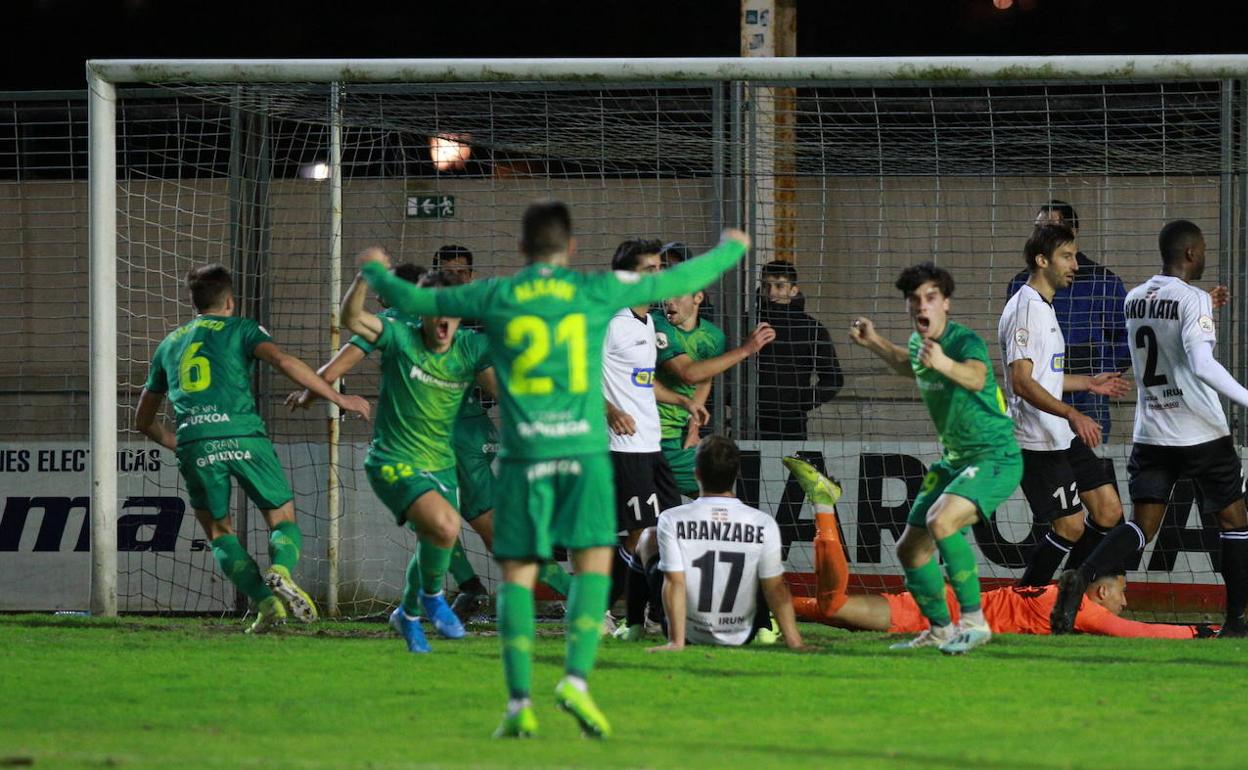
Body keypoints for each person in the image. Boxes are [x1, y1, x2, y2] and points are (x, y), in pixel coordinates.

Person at [361, 199, 750, 739]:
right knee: (593, 565)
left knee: (517, 576)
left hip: (524, 459)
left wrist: (376, 269)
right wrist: (731, 248)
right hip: (583, 457)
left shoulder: (496, 293)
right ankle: (576, 681)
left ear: (521, 248)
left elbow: (406, 296)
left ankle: (519, 701)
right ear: (569, 248)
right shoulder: (594, 292)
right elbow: (682, 277)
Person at [287, 252, 574, 623]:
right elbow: (497, 385)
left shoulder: (395, 322)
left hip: (442, 441)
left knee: (487, 530)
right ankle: (461, 594)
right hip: (476, 432)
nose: (381, 299)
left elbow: (336, 364)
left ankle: (563, 597)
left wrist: (312, 394)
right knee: (439, 523)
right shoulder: (463, 328)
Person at [134, 264, 371, 633]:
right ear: (230, 301)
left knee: (219, 531)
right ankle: (280, 570)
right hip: (245, 435)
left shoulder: (169, 344)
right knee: (282, 519)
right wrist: (338, 398)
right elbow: (283, 361)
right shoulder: (242, 328)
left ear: (193, 302)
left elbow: (143, 418)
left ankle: (265, 602)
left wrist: (175, 440)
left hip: (196, 442)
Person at [1053, 220, 1248, 637]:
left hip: (1152, 432)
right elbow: (1200, 363)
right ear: (1193, 253)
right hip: (1200, 432)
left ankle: (1081, 574)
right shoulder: (1190, 299)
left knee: (1142, 528)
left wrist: (1203, 307)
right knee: (1235, 522)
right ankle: (1235, 622)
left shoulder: (1135, 298)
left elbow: (1165, 332)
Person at [781, 457, 1210, 640]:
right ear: (1099, 591)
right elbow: (1135, 631)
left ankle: (773, 606)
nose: (1125, 600)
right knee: (837, 608)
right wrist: (1198, 631)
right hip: (943, 615)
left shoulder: (1058, 597)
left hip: (947, 604)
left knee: (837, 610)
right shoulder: (1079, 607)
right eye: (1122, 591)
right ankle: (823, 505)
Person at [849, 262, 1022, 654]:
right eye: (914, 299)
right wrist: (874, 342)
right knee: (910, 549)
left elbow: (977, 377)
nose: (921, 306)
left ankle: (975, 622)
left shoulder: (964, 342)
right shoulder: (917, 344)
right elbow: (907, 364)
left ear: (945, 302)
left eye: (930, 298)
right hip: (954, 461)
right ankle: (941, 628)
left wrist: (943, 362)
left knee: (941, 522)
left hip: (995, 456)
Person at [340, 265, 496, 653]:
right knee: (444, 526)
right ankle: (431, 597)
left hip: (440, 461)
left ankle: (406, 615)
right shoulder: (397, 334)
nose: (442, 319)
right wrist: (364, 277)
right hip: (393, 459)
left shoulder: (473, 348)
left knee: (435, 536)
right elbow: (350, 319)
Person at [999, 224, 1130, 586]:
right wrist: (1073, 412)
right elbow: (1022, 382)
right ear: (1042, 260)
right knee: (1070, 526)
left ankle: (1073, 589)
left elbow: (1045, 377)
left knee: (1108, 510)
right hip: (1036, 441)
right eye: (1066, 257)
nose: (1075, 264)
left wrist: (1089, 383)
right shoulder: (1025, 309)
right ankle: (1027, 595)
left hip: (1059, 434)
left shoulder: (1045, 306)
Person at [600, 238, 702, 641]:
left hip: (651, 444)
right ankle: (603, 611)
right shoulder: (609, 321)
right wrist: (610, 411)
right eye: (651, 270)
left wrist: (679, 398)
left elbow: (640, 382)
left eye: (661, 268)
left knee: (664, 528)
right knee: (636, 531)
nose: (660, 276)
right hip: (623, 447)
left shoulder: (646, 323)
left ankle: (648, 616)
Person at [640, 435, 805, 652]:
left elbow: (674, 582)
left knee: (646, 539)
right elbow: (776, 588)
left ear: (696, 474)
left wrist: (676, 642)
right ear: (736, 474)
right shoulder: (763, 523)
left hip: (689, 633)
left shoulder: (672, 518)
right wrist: (796, 643)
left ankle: (637, 624)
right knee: (763, 571)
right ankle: (765, 628)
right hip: (742, 635)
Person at [1007, 200, 1130, 438]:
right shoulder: (1020, 287)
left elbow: (1126, 336)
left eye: (1051, 227)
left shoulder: (1102, 281)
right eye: (1038, 228)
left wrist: (1098, 377)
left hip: (1087, 397)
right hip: (1038, 393)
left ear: (1072, 232)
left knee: (1091, 463)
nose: (1043, 233)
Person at [653, 288, 774, 497]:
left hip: (677, 437)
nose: (669, 301)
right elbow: (688, 373)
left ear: (698, 298)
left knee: (718, 492)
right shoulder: (657, 323)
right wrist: (745, 350)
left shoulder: (713, 337)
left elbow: (703, 380)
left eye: (677, 294)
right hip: (647, 435)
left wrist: (694, 426)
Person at [756, 260, 843, 440]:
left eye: (779, 286)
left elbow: (833, 378)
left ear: (793, 290)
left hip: (791, 424)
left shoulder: (812, 329)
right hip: (748, 420)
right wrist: (736, 399)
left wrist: (800, 402)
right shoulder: (745, 323)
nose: (771, 292)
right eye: (766, 286)